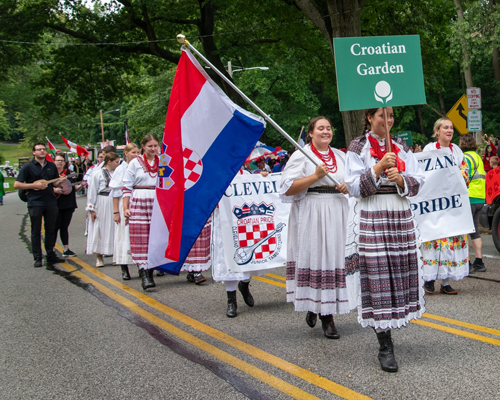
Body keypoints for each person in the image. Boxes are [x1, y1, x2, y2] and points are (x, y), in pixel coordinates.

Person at [344, 107, 425, 373]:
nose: (388, 121)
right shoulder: (358, 146)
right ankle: (384, 344)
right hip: (373, 212)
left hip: (399, 213)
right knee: (377, 275)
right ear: (369, 118)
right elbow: (353, 186)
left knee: (398, 272)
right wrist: (378, 167)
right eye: (382, 116)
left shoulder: (402, 145)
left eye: (391, 116)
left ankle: (393, 323)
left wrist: (401, 178)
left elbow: (419, 178)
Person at [281, 116, 350, 340]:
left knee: (334, 260)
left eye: (329, 128)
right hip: (313, 211)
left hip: (338, 210)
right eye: (320, 128)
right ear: (310, 133)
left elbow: (354, 180)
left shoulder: (341, 156)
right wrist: (315, 176)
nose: (325, 131)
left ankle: (317, 305)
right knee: (318, 259)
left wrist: (347, 186)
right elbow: (287, 188)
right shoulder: (302, 156)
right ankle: (326, 317)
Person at [421, 118, 470, 295]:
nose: (449, 130)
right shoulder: (429, 150)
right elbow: (424, 174)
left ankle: (446, 281)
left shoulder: (456, 150)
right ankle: (429, 279)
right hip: (434, 205)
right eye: (445, 128)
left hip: (452, 204)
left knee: (450, 240)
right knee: (435, 240)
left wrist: (458, 176)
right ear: (437, 131)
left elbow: (464, 171)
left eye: (451, 128)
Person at [14, 143, 66, 268]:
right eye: (39, 149)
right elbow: (17, 184)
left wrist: (60, 181)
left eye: (44, 149)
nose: (42, 151)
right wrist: (33, 185)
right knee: (36, 230)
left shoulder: (51, 166)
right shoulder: (27, 167)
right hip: (35, 202)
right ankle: (37, 257)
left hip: (50, 201)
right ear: (34, 152)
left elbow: (53, 184)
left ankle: (50, 254)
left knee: (51, 230)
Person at [123, 135, 160, 290]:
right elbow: (126, 186)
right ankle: (145, 275)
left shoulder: (163, 161)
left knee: (155, 238)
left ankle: (152, 270)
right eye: (150, 146)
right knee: (141, 238)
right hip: (139, 199)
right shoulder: (135, 163)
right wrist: (126, 207)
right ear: (143, 146)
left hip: (157, 201)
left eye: (155, 146)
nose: (153, 149)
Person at [110, 143, 140, 280]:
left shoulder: (140, 166)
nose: (136, 155)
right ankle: (124, 266)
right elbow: (116, 193)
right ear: (126, 154)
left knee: (140, 236)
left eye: (138, 152)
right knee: (124, 235)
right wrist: (116, 212)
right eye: (133, 152)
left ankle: (142, 265)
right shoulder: (120, 169)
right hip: (125, 204)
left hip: (138, 203)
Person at [86, 152, 120, 267]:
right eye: (116, 162)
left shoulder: (118, 173)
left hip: (114, 202)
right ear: (109, 161)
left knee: (114, 228)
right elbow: (92, 191)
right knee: (99, 228)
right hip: (102, 202)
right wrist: (92, 208)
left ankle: (116, 255)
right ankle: (99, 256)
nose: (118, 164)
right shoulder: (97, 174)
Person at [460, 134, 487, 273]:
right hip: (480, 198)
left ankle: (467, 264)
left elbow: (463, 177)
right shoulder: (477, 157)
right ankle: (479, 261)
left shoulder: (465, 158)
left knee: (465, 231)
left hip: (468, 197)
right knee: (475, 231)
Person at [53, 154, 84, 257]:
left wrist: (81, 185)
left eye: (62, 160)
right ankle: (52, 248)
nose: (60, 162)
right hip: (56, 204)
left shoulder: (69, 174)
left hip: (68, 203)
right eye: (58, 160)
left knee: (64, 227)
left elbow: (74, 188)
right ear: (54, 162)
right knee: (54, 227)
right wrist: (55, 189)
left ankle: (66, 248)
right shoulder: (51, 175)